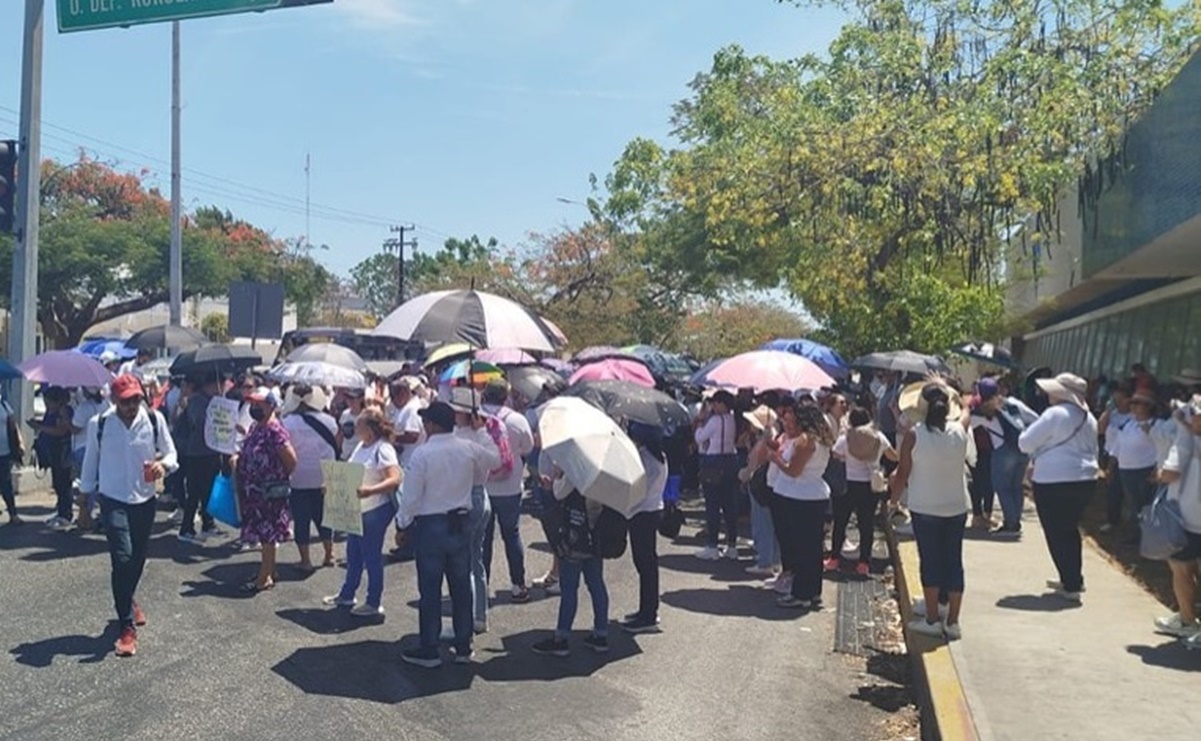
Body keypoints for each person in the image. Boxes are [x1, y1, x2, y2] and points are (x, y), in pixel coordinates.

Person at [79, 374, 178, 657]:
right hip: (113, 501)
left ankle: (129, 596)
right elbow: (90, 463)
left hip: (144, 500)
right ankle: (126, 625)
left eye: (136, 399)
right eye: (126, 401)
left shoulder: (154, 419)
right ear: (114, 400)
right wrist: (84, 502)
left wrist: (163, 466)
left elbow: (171, 454)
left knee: (137, 560)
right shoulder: (100, 425)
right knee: (122, 558)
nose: (132, 405)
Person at [396, 401, 500, 669]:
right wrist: (481, 431)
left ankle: (429, 648)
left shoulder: (422, 454)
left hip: (431, 524)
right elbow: (496, 458)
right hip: (460, 521)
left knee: (430, 588)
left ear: (431, 424)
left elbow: (411, 498)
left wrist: (402, 524)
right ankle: (463, 645)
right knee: (460, 585)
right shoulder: (467, 447)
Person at [891, 382, 975, 640]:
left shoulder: (914, 435)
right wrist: (960, 397)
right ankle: (953, 622)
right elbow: (965, 412)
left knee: (930, 562)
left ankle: (931, 618)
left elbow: (903, 472)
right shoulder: (960, 430)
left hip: (925, 507)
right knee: (953, 562)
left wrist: (892, 500)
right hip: (956, 506)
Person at [1018, 373, 1100, 603]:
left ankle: (1071, 582)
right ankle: (1072, 576)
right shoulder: (1089, 417)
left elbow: (1025, 442)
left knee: (1056, 532)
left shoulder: (1055, 414)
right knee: (1069, 529)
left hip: (1055, 479)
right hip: (1085, 478)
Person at [323, 407, 401, 617]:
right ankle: (348, 594)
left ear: (370, 429)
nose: (355, 428)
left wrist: (370, 490)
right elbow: (350, 470)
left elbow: (395, 478)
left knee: (371, 555)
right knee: (354, 552)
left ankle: (374, 602)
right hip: (359, 508)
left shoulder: (383, 449)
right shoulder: (361, 445)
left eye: (359, 425)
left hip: (375, 508)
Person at [532, 469, 612, 656]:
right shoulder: (603, 472)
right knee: (596, 585)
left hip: (574, 535)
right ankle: (601, 633)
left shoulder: (576, 470)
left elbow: (559, 493)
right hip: (595, 535)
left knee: (569, 588)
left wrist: (557, 478)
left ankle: (562, 637)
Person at [766, 398, 835, 609]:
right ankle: (813, 591)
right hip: (813, 495)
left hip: (799, 496)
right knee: (812, 548)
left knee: (801, 548)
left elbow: (793, 470)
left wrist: (776, 459)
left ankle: (801, 593)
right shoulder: (822, 439)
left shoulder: (806, 440)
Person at [234, 387, 297, 593]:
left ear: (270, 405)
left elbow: (291, 460)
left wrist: (277, 477)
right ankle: (268, 570)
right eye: (252, 404)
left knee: (268, 534)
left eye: (258, 404)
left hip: (269, 492)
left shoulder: (274, 430)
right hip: (254, 492)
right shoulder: (255, 427)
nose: (254, 408)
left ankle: (265, 576)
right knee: (263, 534)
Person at [480, 379, 535, 603]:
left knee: (483, 539)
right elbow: (528, 447)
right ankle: (518, 585)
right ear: (506, 396)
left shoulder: (476, 418)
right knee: (511, 535)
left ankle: (482, 585)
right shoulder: (517, 420)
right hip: (510, 487)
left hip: (483, 486)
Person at [830, 407, 898, 576]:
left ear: (851, 421)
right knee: (866, 524)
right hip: (870, 487)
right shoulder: (878, 437)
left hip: (848, 485)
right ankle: (864, 563)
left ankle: (834, 558)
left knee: (840, 522)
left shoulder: (845, 438)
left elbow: (836, 456)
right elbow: (893, 456)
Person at [448, 388, 495, 634]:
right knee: (476, 561)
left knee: (463, 564)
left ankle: (464, 623)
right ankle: (479, 617)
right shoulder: (480, 436)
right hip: (481, 495)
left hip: (466, 497)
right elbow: (495, 461)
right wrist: (483, 431)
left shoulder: (458, 436)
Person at [1153, 402, 1201, 641]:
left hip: (1189, 519)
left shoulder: (1187, 440)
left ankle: (1188, 620)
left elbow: (1170, 473)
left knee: (1181, 569)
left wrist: (1160, 474)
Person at [282, 384, 340, 572]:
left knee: (301, 519)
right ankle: (329, 554)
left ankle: (305, 560)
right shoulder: (329, 421)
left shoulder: (287, 422)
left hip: (298, 476)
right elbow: (337, 443)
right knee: (325, 517)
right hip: (325, 475)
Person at [972, 377, 1038, 537]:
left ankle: (1011, 524)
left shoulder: (983, 411)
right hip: (1022, 450)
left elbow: (968, 423)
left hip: (1002, 452)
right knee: (1016, 487)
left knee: (1002, 488)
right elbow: (1036, 419)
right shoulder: (1014, 403)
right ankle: (1015, 521)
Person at [622, 422, 669, 633]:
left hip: (641, 512)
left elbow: (637, 487)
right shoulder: (661, 457)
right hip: (654, 509)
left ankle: (647, 614)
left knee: (644, 564)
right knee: (648, 564)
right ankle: (647, 610)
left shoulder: (644, 457)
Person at [175, 377, 223, 543]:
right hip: (197, 452)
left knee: (206, 490)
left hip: (208, 451)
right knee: (195, 491)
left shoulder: (209, 400)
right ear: (210, 384)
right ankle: (187, 528)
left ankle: (207, 524)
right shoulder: (197, 401)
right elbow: (199, 423)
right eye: (219, 384)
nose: (221, 387)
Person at [1104, 389, 1159, 534]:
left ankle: (1141, 534)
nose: (1133, 406)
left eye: (1137, 403)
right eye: (1132, 402)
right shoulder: (1130, 423)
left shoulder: (1156, 425)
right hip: (1124, 469)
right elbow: (1118, 446)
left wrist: (1157, 468)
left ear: (1149, 406)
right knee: (1130, 502)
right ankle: (1132, 531)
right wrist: (1111, 466)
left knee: (1141, 504)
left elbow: (1162, 448)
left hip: (1143, 470)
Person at [694, 389, 740, 561]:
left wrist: (700, 422)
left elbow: (700, 438)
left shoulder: (714, 420)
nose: (713, 405)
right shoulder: (732, 419)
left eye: (716, 402)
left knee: (712, 504)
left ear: (722, 404)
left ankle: (712, 545)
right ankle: (732, 545)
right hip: (730, 460)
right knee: (730, 504)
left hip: (713, 461)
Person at [741, 404, 781, 577]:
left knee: (762, 523)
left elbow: (753, 465)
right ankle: (774, 559)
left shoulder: (764, 440)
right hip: (770, 484)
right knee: (771, 523)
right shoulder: (774, 436)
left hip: (759, 484)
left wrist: (743, 475)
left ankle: (765, 561)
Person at [30, 386, 75, 530]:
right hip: (52, 451)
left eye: (48, 401)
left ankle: (66, 514)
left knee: (63, 483)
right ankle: (60, 511)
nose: (46, 404)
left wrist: (41, 428)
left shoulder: (64, 412)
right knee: (57, 482)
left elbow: (60, 431)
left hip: (62, 451)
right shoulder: (50, 412)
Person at [71, 386, 111, 531]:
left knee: (86, 484)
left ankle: (85, 517)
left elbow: (75, 428)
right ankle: (95, 516)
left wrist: (65, 418)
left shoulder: (84, 407)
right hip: (101, 448)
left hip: (82, 447)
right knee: (98, 483)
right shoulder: (106, 404)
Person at [387, 376, 426, 470]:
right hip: (404, 459)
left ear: (403, 393)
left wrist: (390, 437)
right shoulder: (404, 408)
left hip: (411, 461)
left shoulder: (412, 409)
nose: (392, 400)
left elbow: (413, 436)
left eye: (393, 396)